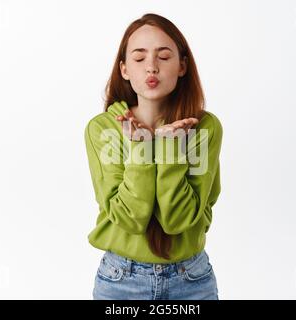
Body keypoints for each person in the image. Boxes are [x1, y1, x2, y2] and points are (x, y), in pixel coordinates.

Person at [84, 13, 223, 300]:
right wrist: (141, 147)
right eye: (139, 58)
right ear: (124, 69)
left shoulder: (203, 128)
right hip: (121, 280)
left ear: (182, 65)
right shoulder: (104, 129)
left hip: (191, 280)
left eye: (163, 56)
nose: (151, 67)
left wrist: (171, 147)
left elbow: (178, 220)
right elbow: (130, 218)